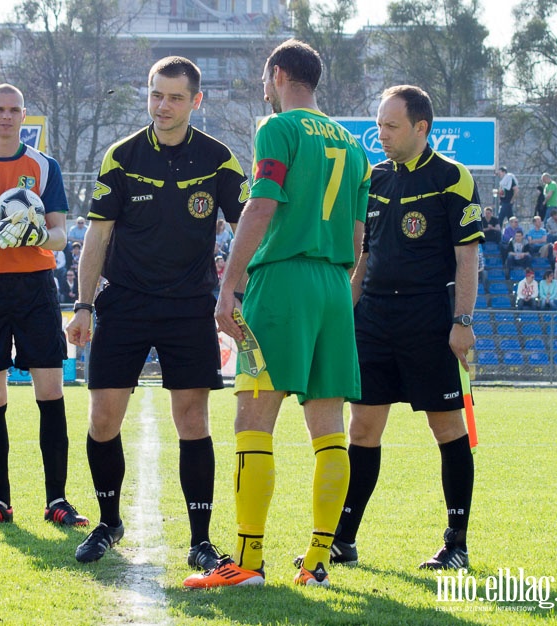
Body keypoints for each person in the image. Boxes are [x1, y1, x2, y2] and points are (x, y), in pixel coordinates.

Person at [184, 39, 368, 590]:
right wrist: (333, 291)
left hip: (283, 281)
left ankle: (247, 561)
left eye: (265, 80)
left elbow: (261, 206)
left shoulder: (278, 129)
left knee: (253, 420)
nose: (264, 90)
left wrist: (230, 285)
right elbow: (359, 239)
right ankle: (316, 563)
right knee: (329, 426)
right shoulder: (354, 146)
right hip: (334, 283)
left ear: (279, 74)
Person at [66, 56, 248, 572]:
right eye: (155, 95)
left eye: (174, 97)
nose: (163, 106)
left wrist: (234, 291)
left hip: (190, 305)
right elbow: (98, 235)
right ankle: (108, 522)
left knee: (192, 418)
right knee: (103, 418)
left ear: (196, 101)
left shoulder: (219, 159)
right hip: (123, 302)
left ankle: (199, 539)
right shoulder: (120, 157)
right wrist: (83, 305)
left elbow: (247, 228)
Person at [334, 85, 483, 571]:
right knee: (363, 427)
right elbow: (364, 257)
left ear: (421, 127)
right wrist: (343, 313)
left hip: (428, 320)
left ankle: (455, 543)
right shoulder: (373, 179)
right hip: (373, 318)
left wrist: (462, 321)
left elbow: (468, 256)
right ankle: (343, 539)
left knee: (446, 427)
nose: (382, 136)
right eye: (378, 125)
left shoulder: (452, 178)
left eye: (391, 126)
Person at [0, 83, 87, 530]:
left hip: (34, 286)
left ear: (23, 114)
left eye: (13, 110)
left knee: (50, 392)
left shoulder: (44, 167)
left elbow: (61, 235)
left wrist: (33, 236)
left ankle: (57, 500)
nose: (6, 116)